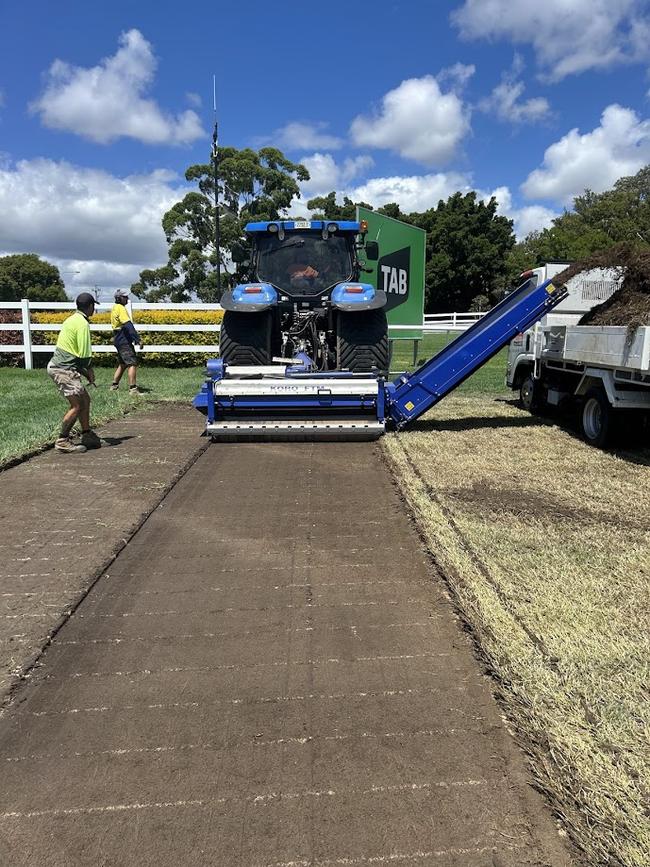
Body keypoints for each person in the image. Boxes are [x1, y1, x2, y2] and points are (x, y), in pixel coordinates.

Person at [47, 292, 101, 454]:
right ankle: (62, 440)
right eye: (94, 307)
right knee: (77, 405)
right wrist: (89, 370)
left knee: (85, 398)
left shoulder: (71, 319)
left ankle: (87, 435)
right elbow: (84, 356)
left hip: (63, 366)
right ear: (90, 306)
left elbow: (73, 354)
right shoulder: (82, 324)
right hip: (63, 369)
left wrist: (84, 373)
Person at [110, 290, 143, 394]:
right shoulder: (121, 309)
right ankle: (133, 389)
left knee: (122, 364)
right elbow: (128, 325)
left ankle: (114, 386)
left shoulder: (114, 308)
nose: (127, 299)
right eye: (125, 297)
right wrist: (138, 339)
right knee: (132, 363)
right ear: (119, 298)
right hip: (124, 340)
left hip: (118, 339)